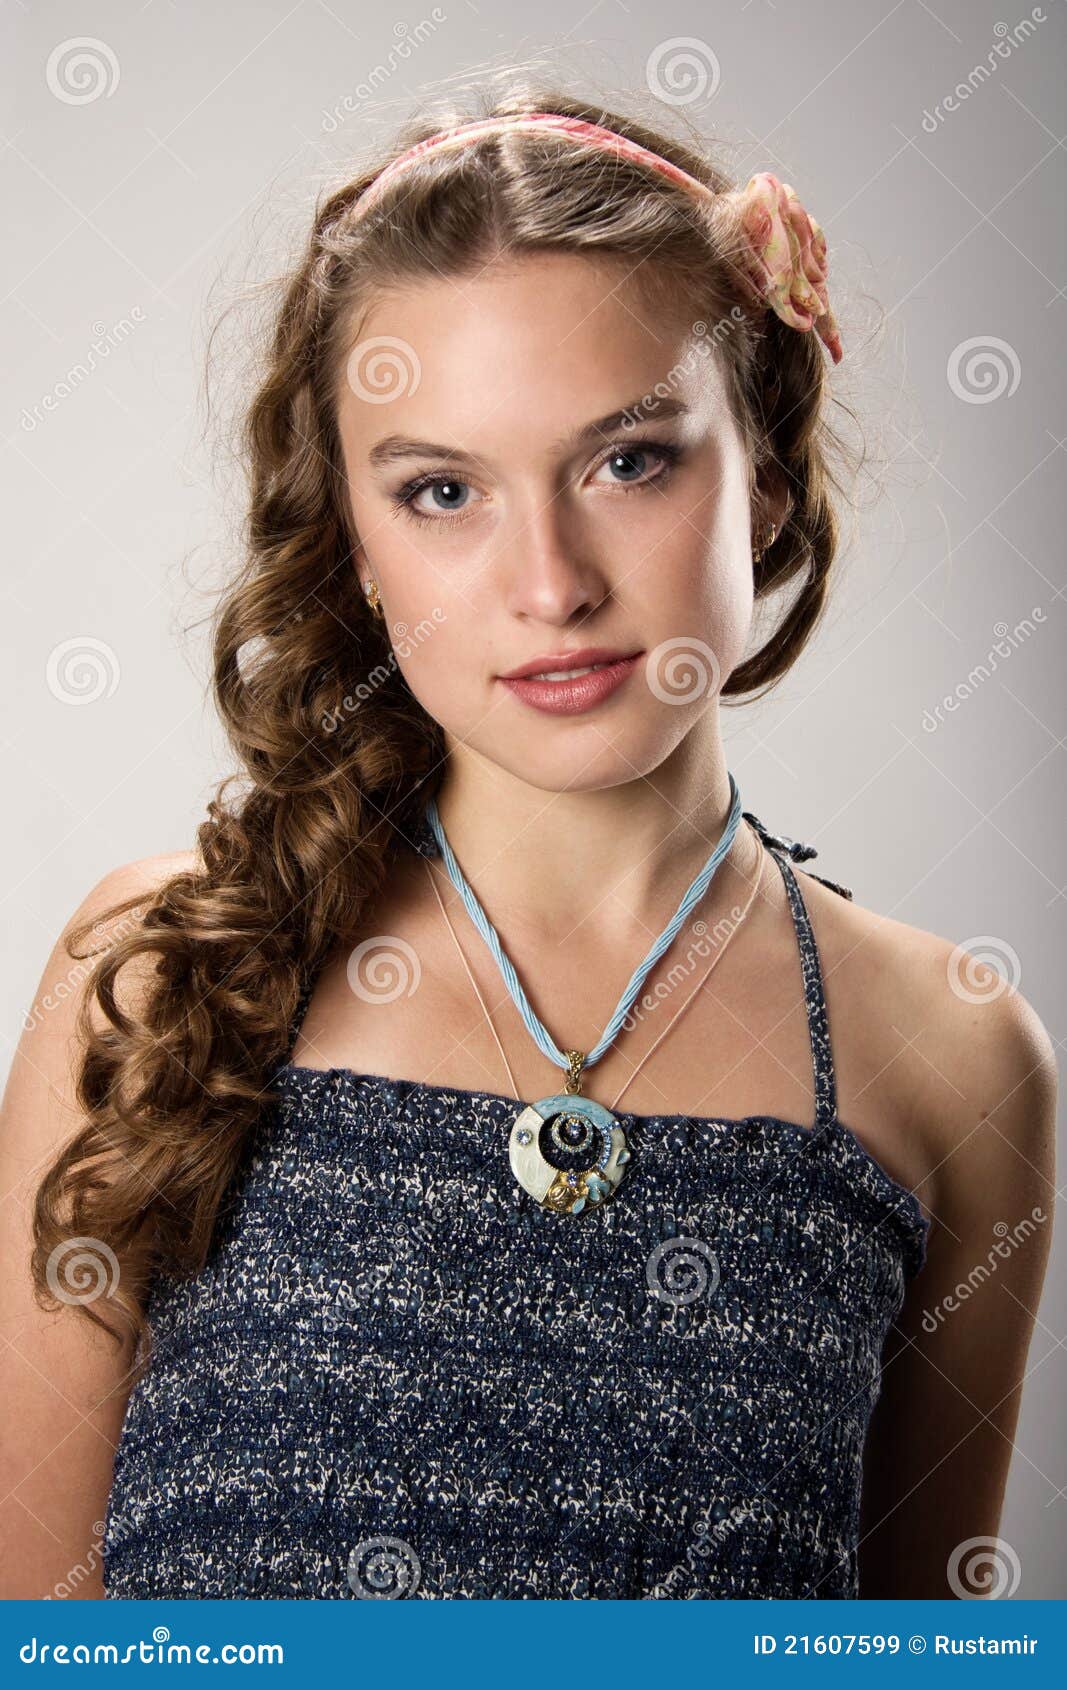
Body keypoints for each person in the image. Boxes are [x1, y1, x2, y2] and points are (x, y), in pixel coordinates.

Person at [1, 89, 1056, 1602]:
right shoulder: (158, 971)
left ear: (760, 465)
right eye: (442, 491)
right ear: (356, 545)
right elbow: (38, 1630)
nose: (549, 583)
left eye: (629, 461)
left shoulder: (954, 1052)